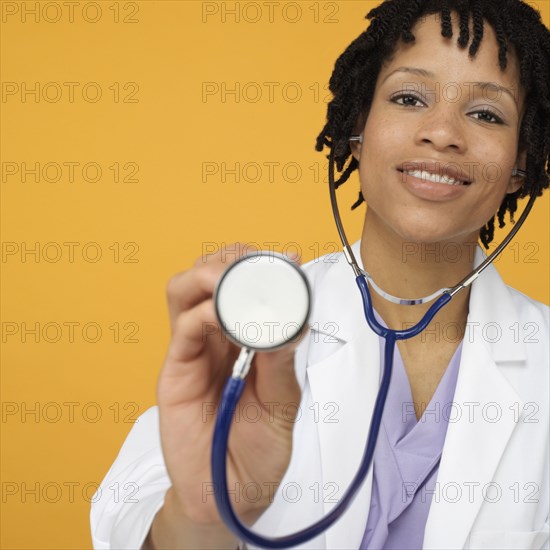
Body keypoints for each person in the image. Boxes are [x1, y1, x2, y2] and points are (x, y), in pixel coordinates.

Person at [90, 0, 550, 548]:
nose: (443, 132)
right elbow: (124, 526)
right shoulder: (252, 329)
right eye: (408, 98)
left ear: (522, 163)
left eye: (486, 114)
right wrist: (206, 513)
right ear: (357, 129)